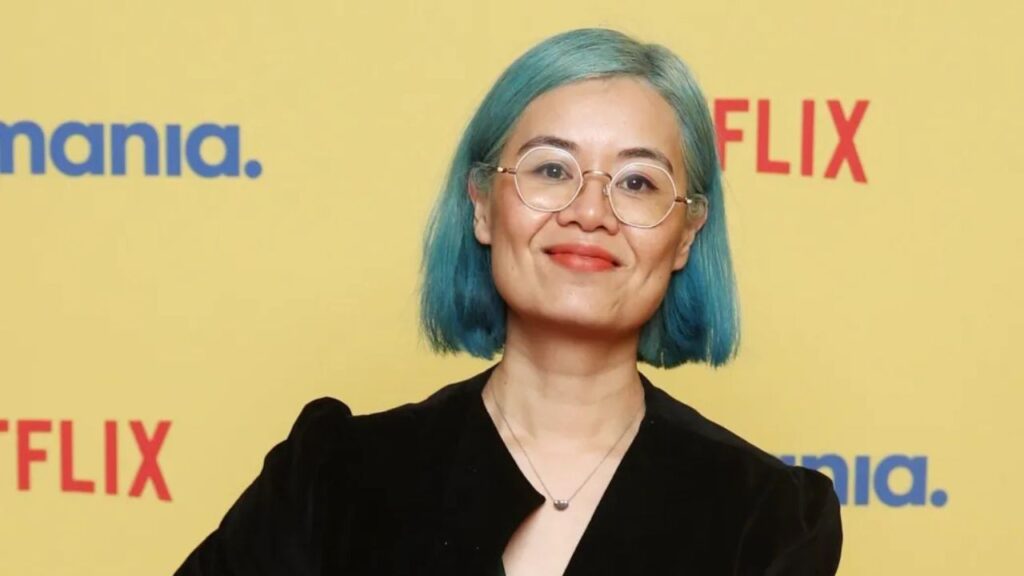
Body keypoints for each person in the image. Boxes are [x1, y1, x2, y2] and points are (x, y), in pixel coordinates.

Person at [176, 28, 842, 575]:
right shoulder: (333, 478)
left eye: (637, 182)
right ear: (482, 205)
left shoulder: (767, 518)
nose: (590, 212)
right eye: (551, 169)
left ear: (686, 236)